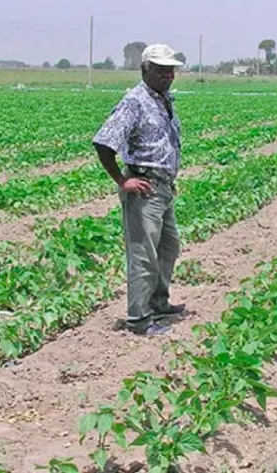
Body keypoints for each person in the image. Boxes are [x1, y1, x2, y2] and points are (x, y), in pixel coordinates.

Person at [92, 44, 186, 336]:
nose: (168, 75)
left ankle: (158, 303)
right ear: (145, 70)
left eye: (171, 70)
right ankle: (139, 319)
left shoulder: (163, 98)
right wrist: (123, 181)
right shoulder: (135, 100)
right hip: (143, 189)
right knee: (143, 254)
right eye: (160, 70)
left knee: (168, 247)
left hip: (163, 187)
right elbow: (104, 143)